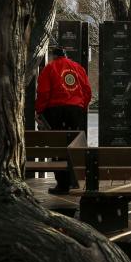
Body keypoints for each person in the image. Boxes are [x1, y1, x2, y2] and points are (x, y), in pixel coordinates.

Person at [36, 46, 92, 194]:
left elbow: (43, 92)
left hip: (56, 110)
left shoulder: (50, 68)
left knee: (58, 147)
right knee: (73, 145)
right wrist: (81, 107)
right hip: (75, 110)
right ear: (66, 55)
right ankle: (74, 181)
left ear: (54, 56)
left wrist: (40, 110)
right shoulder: (78, 68)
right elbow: (87, 91)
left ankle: (62, 183)